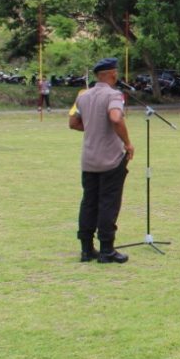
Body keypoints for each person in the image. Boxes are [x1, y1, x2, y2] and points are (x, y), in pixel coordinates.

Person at [68, 57, 133, 264]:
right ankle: (107, 249)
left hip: (89, 159)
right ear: (112, 74)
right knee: (108, 203)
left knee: (89, 202)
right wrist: (127, 143)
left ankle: (86, 249)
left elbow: (73, 122)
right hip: (111, 160)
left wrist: (93, 127)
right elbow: (115, 118)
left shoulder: (83, 96)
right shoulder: (114, 95)